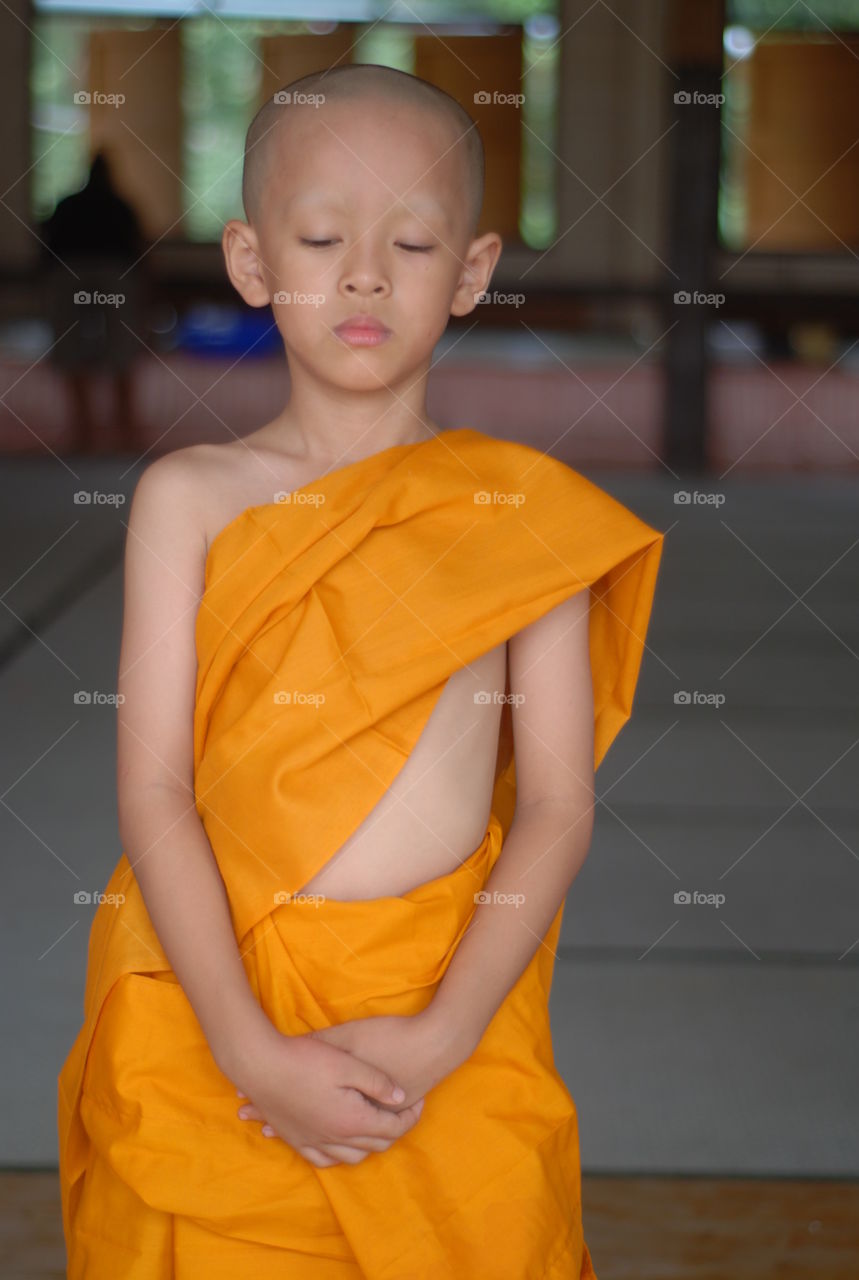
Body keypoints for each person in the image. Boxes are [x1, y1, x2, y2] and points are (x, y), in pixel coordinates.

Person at [57, 64, 664, 1277]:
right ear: (249, 260)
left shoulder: (518, 511)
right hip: (213, 1004)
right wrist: (245, 1046)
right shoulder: (189, 498)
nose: (366, 273)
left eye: (416, 239)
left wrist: (441, 1036)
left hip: (443, 1011)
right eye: (322, 235)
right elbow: (154, 791)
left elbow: (551, 808)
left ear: (476, 271)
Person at [40, 149, 148, 453]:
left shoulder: (68, 206)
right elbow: (139, 250)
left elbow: (46, 246)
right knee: (121, 344)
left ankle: (83, 424)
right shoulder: (120, 206)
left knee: (71, 345)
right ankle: (121, 423)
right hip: (109, 271)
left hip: (71, 272)